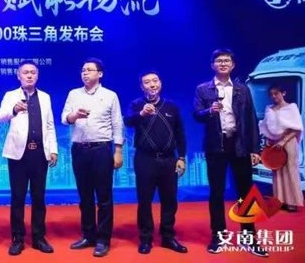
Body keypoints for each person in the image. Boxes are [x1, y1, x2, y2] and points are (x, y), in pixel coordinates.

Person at [193, 49, 267, 257]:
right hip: (216, 146)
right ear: (212, 65)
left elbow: (251, 119)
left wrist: (255, 149)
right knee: (216, 193)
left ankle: (249, 238)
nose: (223, 63)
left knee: (246, 193)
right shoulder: (203, 89)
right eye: (219, 60)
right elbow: (196, 114)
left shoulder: (242, 89)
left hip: (239, 144)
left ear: (233, 65)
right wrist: (209, 111)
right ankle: (218, 236)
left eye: (227, 60)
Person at [61, 57, 124, 258]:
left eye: (89, 69)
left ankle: (103, 239)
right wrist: (74, 116)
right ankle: (88, 235)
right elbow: (64, 118)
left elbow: (117, 123)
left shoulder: (110, 95)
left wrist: (118, 150)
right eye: (83, 70)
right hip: (79, 149)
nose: (85, 73)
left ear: (100, 73)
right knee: (85, 196)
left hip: (101, 149)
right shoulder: (73, 94)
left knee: (104, 196)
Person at [0, 60, 58, 256]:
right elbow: (0, 117)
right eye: (25, 73)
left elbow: (50, 125)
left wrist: (53, 149)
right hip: (18, 155)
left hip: (39, 154)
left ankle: (39, 237)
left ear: (37, 76)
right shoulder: (11, 95)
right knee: (18, 197)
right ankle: (17, 238)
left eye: (33, 72)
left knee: (39, 197)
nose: (29, 75)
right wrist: (13, 110)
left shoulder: (45, 97)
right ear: (19, 76)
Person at [123, 71, 188, 255]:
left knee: (170, 200)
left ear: (160, 83)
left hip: (169, 159)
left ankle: (168, 237)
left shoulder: (172, 106)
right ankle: (145, 239)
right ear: (142, 86)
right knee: (145, 201)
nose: (152, 84)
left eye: (155, 81)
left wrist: (181, 157)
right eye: (147, 82)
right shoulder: (136, 104)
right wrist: (142, 114)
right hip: (145, 159)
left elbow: (180, 133)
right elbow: (127, 121)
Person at [258, 84, 303, 212]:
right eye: (271, 94)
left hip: (288, 142)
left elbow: (297, 128)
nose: (274, 96)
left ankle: (292, 202)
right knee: (276, 171)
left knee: (290, 169)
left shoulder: (291, 107)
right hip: (274, 143)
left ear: (283, 93)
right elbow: (266, 127)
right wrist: (269, 140)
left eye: (276, 93)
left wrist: (284, 141)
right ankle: (280, 200)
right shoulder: (269, 109)